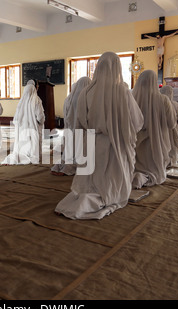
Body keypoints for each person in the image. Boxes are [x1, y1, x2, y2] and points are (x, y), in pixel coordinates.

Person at [54, 52, 144, 220]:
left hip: (91, 141)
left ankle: (79, 200)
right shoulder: (122, 91)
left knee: (91, 180)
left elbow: (79, 120)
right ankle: (87, 204)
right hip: (114, 143)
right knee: (110, 183)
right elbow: (137, 121)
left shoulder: (86, 91)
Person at [131, 70, 176, 189]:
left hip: (137, 142)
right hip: (157, 143)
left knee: (137, 165)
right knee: (155, 171)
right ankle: (143, 177)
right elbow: (171, 124)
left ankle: (137, 175)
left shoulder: (132, 98)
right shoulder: (164, 100)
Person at [51, 76, 91, 176]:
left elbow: (67, 114)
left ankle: (61, 166)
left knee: (70, 149)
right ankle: (68, 168)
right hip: (82, 128)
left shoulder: (70, 97)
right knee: (80, 150)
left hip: (70, 128)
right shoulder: (87, 97)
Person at [1, 79, 45, 165]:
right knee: (33, 148)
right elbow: (40, 116)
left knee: (22, 147)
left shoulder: (21, 101)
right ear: (35, 87)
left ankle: (18, 157)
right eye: (37, 85)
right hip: (33, 129)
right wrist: (41, 122)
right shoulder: (36, 99)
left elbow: (16, 119)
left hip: (21, 130)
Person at [160, 85, 178, 166]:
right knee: (173, 147)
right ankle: (173, 160)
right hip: (173, 129)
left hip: (161, 130)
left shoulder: (158, 103)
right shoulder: (176, 105)